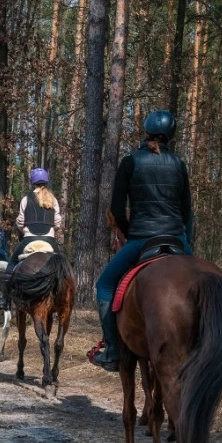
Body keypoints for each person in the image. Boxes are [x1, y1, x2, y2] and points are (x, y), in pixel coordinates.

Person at [89, 110, 193, 372]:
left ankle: (112, 351)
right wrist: (186, 242)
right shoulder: (179, 164)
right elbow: (187, 212)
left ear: (145, 132)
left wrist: (128, 231)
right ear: (172, 135)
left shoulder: (130, 161)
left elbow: (115, 207)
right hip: (176, 238)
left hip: (141, 238)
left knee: (104, 285)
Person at [0, 168, 63, 310]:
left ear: (32, 182)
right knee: (63, 266)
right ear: (46, 181)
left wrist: (25, 230)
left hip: (29, 239)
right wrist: (52, 231)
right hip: (49, 240)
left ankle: (4, 299)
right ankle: (63, 299)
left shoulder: (26, 199)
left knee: (11, 264)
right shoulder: (53, 199)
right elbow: (57, 222)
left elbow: (20, 221)